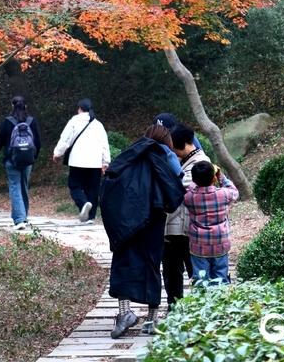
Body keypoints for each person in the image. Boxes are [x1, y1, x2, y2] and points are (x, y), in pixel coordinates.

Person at [100, 124, 185, 339]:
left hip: (125, 218)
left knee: (123, 262)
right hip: (153, 219)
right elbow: (176, 182)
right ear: (166, 140)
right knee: (151, 264)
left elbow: (110, 180)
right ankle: (152, 318)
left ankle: (125, 313)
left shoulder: (130, 153)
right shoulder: (164, 154)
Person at [162, 123, 210, 308]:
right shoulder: (184, 161)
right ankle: (174, 308)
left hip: (189, 229)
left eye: (173, 147)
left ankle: (201, 309)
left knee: (194, 271)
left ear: (181, 144)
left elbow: (184, 188)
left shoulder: (201, 163)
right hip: (174, 227)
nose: (172, 151)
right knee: (171, 271)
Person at [53, 98, 110, 223]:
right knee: (93, 188)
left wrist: (57, 153)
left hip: (77, 161)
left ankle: (83, 203)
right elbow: (104, 144)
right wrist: (105, 162)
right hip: (95, 162)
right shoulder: (98, 124)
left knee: (75, 186)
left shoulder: (74, 121)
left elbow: (65, 139)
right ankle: (90, 217)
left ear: (79, 108)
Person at [184, 160, 239, 286]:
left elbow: (189, 188)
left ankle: (202, 296)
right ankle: (220, 296)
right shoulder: (223, 194)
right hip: (220, 243)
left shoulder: (189, 197)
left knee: (201, 278)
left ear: (194, 179)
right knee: (221, 276)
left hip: (198, 246)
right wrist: (221, 176)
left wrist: (194, 182)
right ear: (214, 178)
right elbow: (234, 191)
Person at [0, 96, 41, 231]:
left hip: (11, 160)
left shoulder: (7, 122)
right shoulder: (31, 121)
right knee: (24, 187)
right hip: (28, 161)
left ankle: (19, 219)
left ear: (12, 106)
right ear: (26, 106)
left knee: (15, 187)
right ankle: (23, 217)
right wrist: (33, 157)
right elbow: (38, 142)